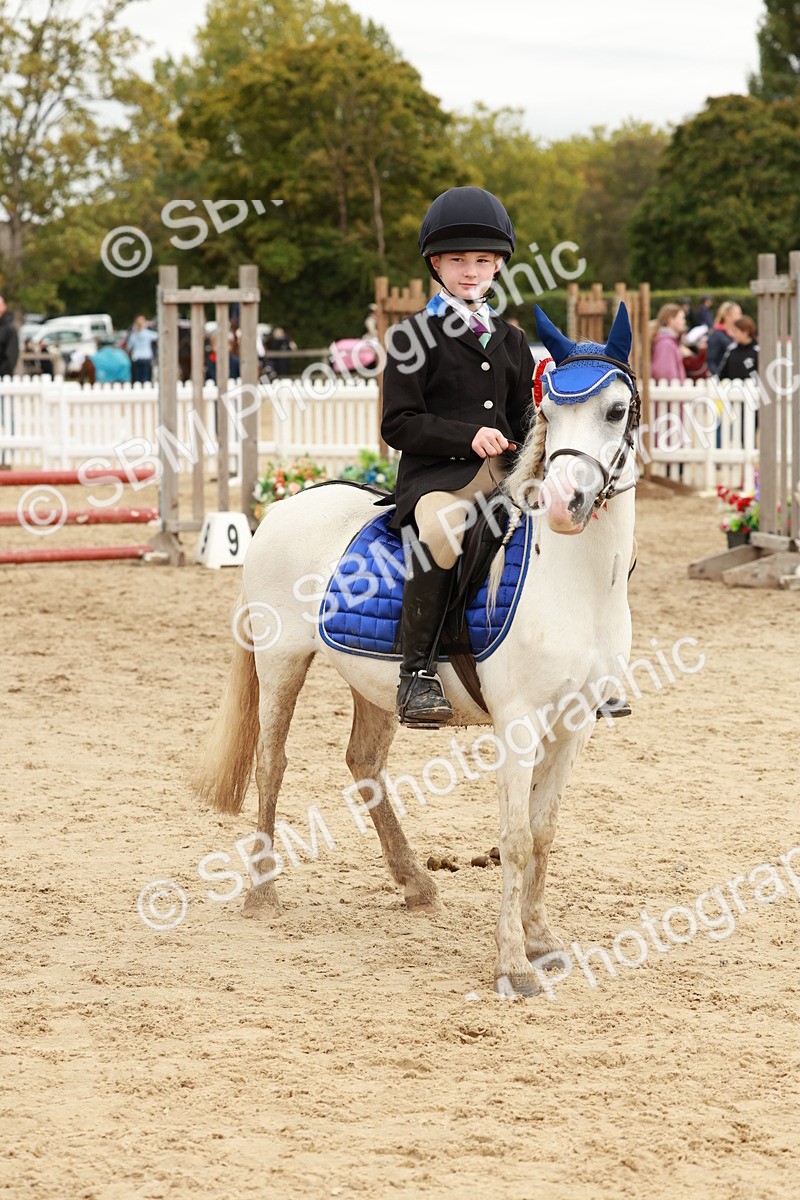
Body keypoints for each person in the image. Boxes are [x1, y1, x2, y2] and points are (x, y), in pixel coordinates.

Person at [380, 186, 534, 728]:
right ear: (436, 265)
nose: (471, 271)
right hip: (437, 481)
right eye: (458, 261)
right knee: (444, 531)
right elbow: (398, 424)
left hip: (504, 478)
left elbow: (522, 419)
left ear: (498, 265)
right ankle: (416, 672)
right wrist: (467, 437)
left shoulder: (512, 340)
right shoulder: (412, 336)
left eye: (483, 261)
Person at [650, 303, 688, 381]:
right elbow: (665, 374)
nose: (684, 322)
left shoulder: (669, 341)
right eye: (682, 318)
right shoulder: (666, 343)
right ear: (671, 320)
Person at [706, 301, 742, 376]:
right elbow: (711, 361)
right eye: (738, 314)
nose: (740, 317)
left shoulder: (737, 335)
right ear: (727, 316)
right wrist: (718, 377)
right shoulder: (717, 335)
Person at [125, 314, 158, 383]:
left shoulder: (133, 335)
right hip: (146, 357)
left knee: (137, 380)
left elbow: (128, 347)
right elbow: (158, 336)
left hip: (136, 357)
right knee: (147, 380)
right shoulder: (147, 333)